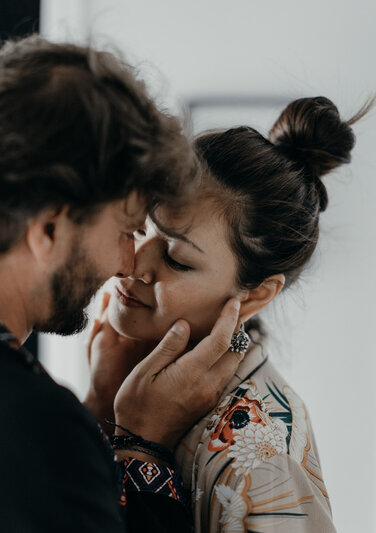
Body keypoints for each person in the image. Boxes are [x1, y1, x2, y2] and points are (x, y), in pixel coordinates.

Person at [0, 36, 245, 533]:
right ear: (48, 230)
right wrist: (143, 441)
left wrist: (96, 409)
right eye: (125, 231)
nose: (127, 263)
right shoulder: (34, 428)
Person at [88, 96, 368, 532]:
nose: (132, 264)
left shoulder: (256, 455)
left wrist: (139, 441)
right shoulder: (129, 374)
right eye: (139, 228)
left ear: (256, 295)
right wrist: (102, 408)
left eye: (178, 260)